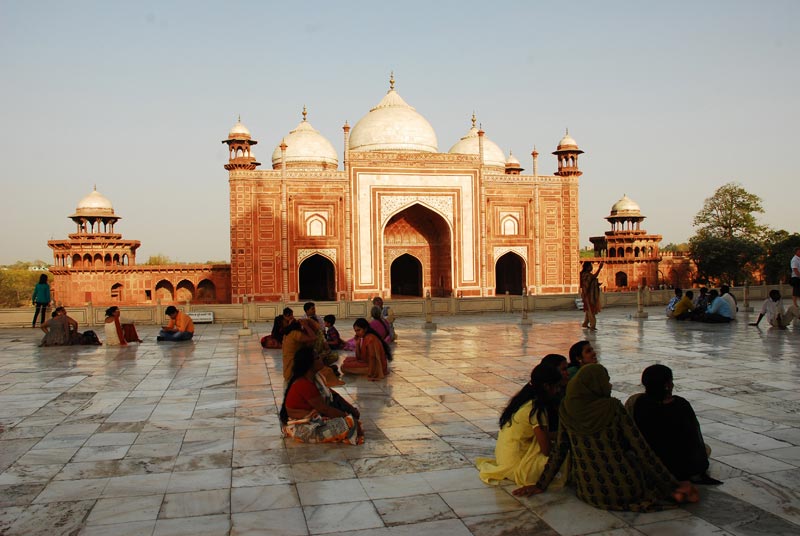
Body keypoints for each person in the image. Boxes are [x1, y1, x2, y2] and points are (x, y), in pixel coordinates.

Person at [514, 364, 699, 511]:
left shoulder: (567, 408)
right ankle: (676, 494)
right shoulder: (612, 407)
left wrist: (540, 485)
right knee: (639, 466)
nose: (609, 385)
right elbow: (641, 449)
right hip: (625, 487)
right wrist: (671, 484)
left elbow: (560, 451)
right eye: (607, 381)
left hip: (589, 491)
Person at [625, 364, 721, 485]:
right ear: (667, 385)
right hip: (676, 467)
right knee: (706, 449)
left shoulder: (637, 402)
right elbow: (693, 438)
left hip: (647, 461)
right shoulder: (680, 405)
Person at [477, 364, 569, 488]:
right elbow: (546, 450)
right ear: (547, 386)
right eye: (557, 387)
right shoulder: (536, 409)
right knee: (565, 456)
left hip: (504, 460)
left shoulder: (523, 400)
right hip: (519, 468)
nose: (558, 391)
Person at [280, 348, 362, 445]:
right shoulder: (304, 384)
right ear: (310, 364)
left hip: (314, 418)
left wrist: (351, 410)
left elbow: (333, 395)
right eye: (317, 358)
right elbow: (325, 409)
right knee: (349, 424)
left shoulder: (315, 378)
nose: (321, 358)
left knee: (349, 421)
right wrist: (347, 417)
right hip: (303, 427)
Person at [579, 261, 604, 330]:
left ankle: (585, 323)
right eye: (590, 266)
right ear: (587, 267)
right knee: (590, 310)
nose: (591, 267)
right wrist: (599, 268)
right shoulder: (586, 275)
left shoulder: (583, 274)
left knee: (588, 309)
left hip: (586, 294)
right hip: (588, 295)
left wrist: (595, 284)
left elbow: (590, 282)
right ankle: (593, 325)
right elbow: (593, 277)